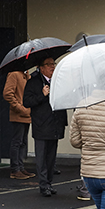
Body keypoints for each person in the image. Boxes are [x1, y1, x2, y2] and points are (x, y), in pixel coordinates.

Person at [23, 57, 68, 197]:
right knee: (41, 158)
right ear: (41, 67)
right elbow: (27, 102)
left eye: (53, 64)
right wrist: (42, 95)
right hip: (42, 125)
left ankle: (49, 182)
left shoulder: (58, 81)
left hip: (55, 124)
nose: (52, 67)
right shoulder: (33, 82)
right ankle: (43, 185)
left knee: (51, 158)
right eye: (48, 65)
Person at [3, 70, 35, 180]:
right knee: (17, 142)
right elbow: (7, 94)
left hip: (27, 114)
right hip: (19, 114)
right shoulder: (14, 74)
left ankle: (21, 167)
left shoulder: (26, 76)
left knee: (23, 142)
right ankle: (15, 169)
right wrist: (20, 108)